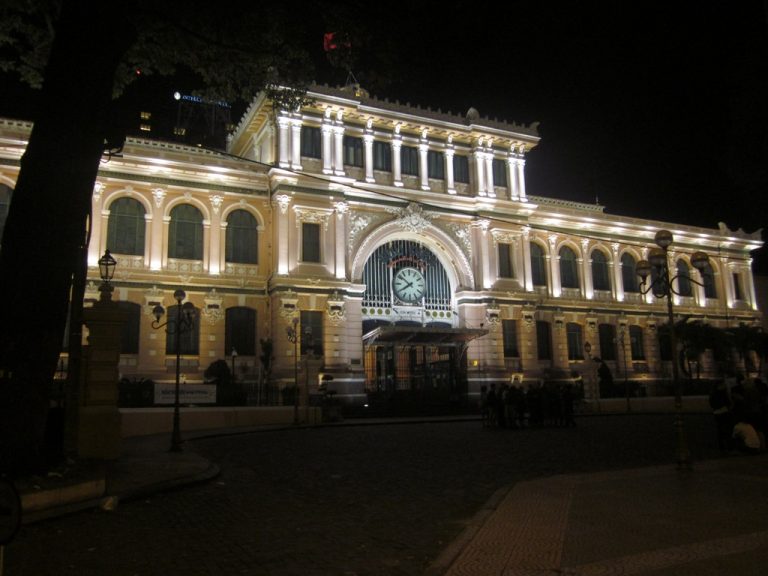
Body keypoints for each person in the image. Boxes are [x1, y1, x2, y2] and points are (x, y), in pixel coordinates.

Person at [709, 380, 733, 452]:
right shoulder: (723, 393)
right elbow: (728, 402)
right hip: (724, 412)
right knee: (727, 429)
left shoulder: (713, 394)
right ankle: (728, 446)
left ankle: (722, 446)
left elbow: (712, 404)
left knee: (720, 429)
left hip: (717, 413)